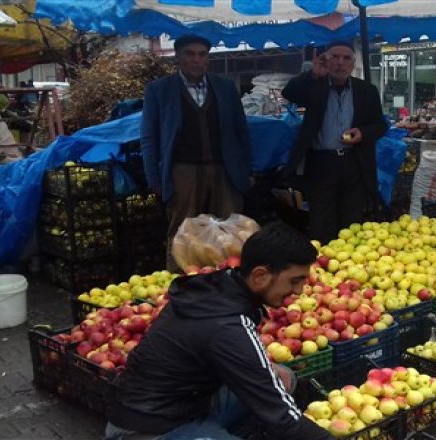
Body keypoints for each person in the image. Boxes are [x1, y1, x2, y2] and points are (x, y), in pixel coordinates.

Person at [106, 222, 333, 440]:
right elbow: (282, 417)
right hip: (148, 428)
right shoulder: (227, 325)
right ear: (260, 276)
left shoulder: (220, 285)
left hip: (189, 404)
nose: (299, 290)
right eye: (294, 281)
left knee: (282, 377)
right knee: (273, 396)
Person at [141, 34, 252, 272]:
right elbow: (149, 137)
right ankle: (178, 285)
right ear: (178, 58)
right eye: (190, 54)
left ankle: (229, 282)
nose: (196, 60)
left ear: (208, 59)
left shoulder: (225, 88)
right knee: (184, 233)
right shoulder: (159, 90)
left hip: (224, 170)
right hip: (182, 171)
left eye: (202, 55)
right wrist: (154, 178)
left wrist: (247, 169)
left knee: (229, 232)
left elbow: (241, 131)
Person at [280, 42, 388, 244]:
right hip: (321, 163)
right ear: (326, 60)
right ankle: (322, 263)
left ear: (353, 63)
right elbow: (288, 93)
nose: (340, 63)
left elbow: (380, 125)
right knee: (321, 220)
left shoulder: (366, 90)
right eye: (335, 57)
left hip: (354, 162)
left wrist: (362, 133)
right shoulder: (315, 86)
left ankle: (351, 263)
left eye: (346, 58)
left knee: (352, 220)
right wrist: (313, 74)